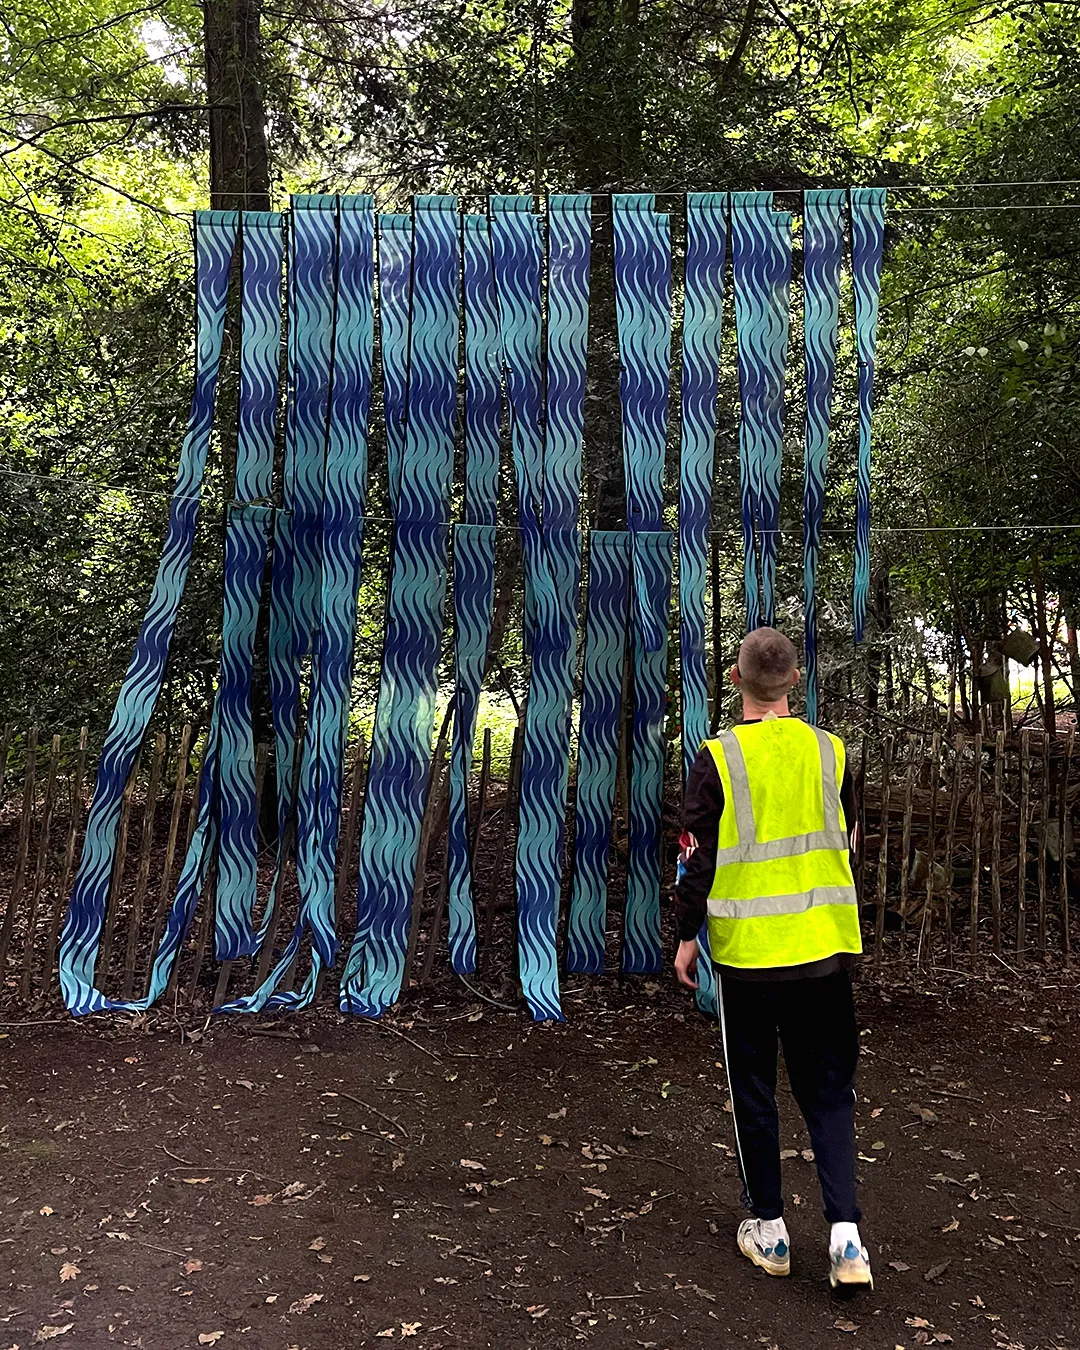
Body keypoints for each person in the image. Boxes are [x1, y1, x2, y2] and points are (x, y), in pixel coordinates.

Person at [673, 626, 872, 1289]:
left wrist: (687, 936)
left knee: (753, 1090)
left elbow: (695, 857)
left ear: (736, 680)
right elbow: (849, 840)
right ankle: (847, 1241)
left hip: (749, 960)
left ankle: (771, 1230)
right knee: (830, 1091)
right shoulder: (830, 751)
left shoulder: (718, 758)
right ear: (795, 681)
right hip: (824, 953)